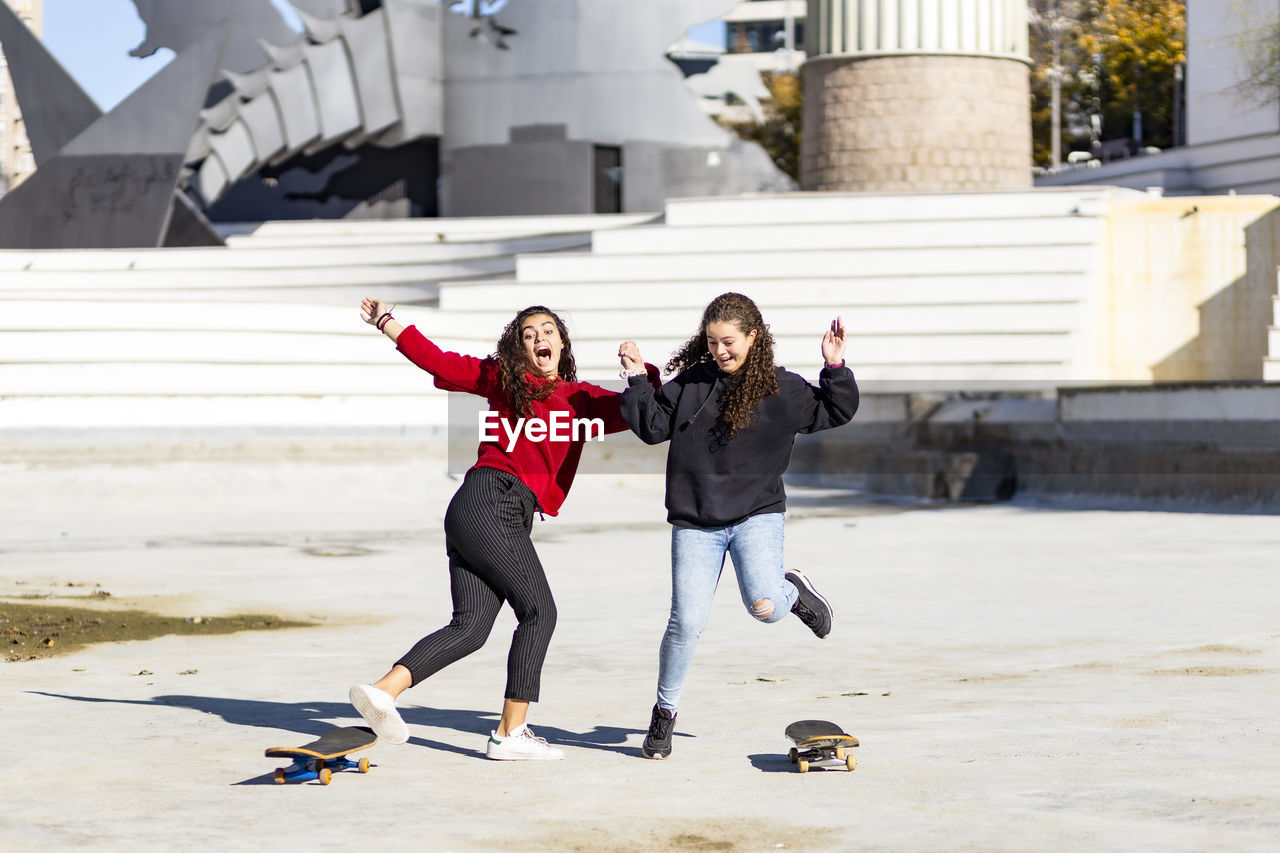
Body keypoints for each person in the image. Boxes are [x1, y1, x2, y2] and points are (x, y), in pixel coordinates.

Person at [350, 297, 657, 760]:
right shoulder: (504, 380)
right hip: (492, 500)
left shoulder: (581, 400)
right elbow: (439, 362)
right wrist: (388, 323)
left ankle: (381, 692)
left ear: (562, 342)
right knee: (540, 612)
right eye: (528, 334)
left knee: (472, 627)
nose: (539, 338)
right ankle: (510, 734)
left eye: (548, 331)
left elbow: (638, 412)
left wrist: (641, 372)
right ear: (518, 347)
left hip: (482, 512)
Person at [616, 291, 859, 760]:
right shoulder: (692, 384)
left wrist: (834, 367)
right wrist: (634, 378)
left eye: (728, 341)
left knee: (766, 609)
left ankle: (793, 591)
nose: (719, 351)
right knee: (685, 623)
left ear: (753, 337)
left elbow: (835, 410)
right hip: (696, 521)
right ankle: (664, 715)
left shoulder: (780, 388)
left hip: (756, 515)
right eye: (711, 342)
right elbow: (650, 427)